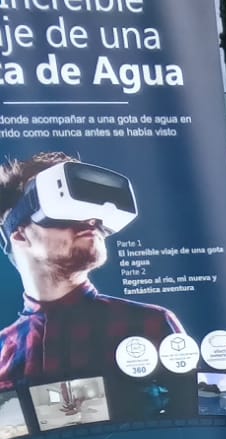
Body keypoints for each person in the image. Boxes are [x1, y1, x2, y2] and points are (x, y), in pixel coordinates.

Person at [0, 151, 196, 422]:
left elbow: (196, 420)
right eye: (64, 207)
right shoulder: (3, 350)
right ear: (20, 235)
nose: (91, 219)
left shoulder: (151, 323)